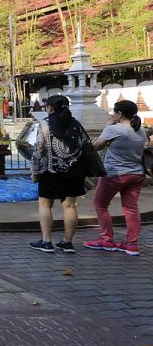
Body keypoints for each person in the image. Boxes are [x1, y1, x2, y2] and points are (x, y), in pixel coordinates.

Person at [84, 100, 147, 256]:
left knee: (100, 204)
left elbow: (95, 146)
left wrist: (107, 126)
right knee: (131, 208)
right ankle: (131, 244)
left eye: (114, 112)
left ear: (119, 114)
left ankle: (106, 239)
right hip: (136, 173)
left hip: (115, 173)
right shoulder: (141, 131)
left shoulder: (114, 129)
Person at [30, 95, 88, 254]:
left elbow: (39, 150)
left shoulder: (45, 124)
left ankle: (46, 241)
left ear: (50, 108)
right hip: (74, 171)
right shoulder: (75, 124)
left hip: (51, 170)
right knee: (69, 205)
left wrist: (34, 171)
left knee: (45, 204)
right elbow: (84, 146)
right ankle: (68, 243)